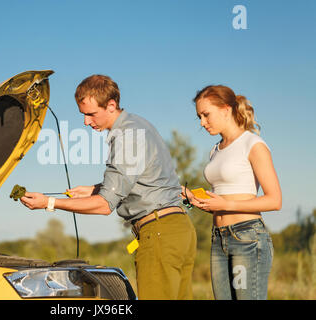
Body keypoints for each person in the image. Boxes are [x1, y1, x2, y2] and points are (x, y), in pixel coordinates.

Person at [20, 74, 197, 300]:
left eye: (91, 114)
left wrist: (49, 203)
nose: (86, 122)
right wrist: (95, 188)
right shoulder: (138, 125)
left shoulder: (126, 136)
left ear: (111, 105)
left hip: (159, 233)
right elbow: (139, 179)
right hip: (178, 231)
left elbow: (105, 206)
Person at [182, 85, 282, 300]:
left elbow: (274, 200)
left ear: (226, 109)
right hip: (219, 238)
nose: (202, 122)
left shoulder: (253, 144)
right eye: (199, 116)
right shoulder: (215, 150)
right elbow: (221, 200)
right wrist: (195, 199)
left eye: (206, 115)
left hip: (246, 237)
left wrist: (226, 205)